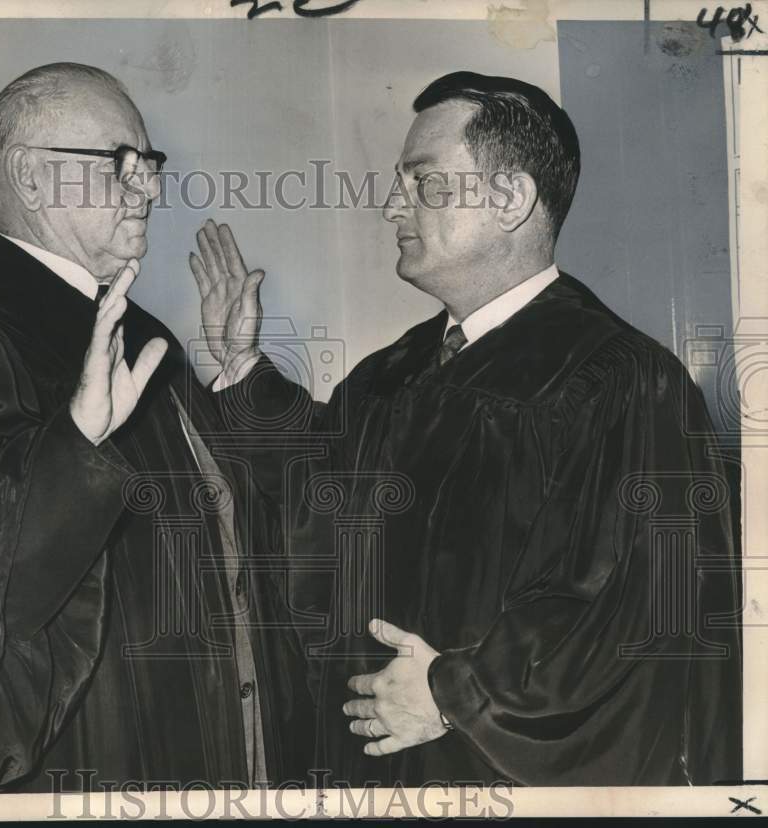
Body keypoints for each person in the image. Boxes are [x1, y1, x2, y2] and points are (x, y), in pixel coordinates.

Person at [189, 71, 742, 786]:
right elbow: (322, 491)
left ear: (511, 198)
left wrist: (456, 694)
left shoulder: (621, 379)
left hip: (492, 773)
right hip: (368, 770)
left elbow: (641, 609)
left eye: (423, 183)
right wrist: (241, 367)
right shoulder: (395, 369)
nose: (393, 205)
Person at [0, 62, 312, 794]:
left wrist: (235, 371)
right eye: (121, 163)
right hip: (89, 765)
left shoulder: (140, 332)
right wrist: (72, 446)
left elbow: (222, 530)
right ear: (31, 179)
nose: (150, 188)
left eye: (149, 165)